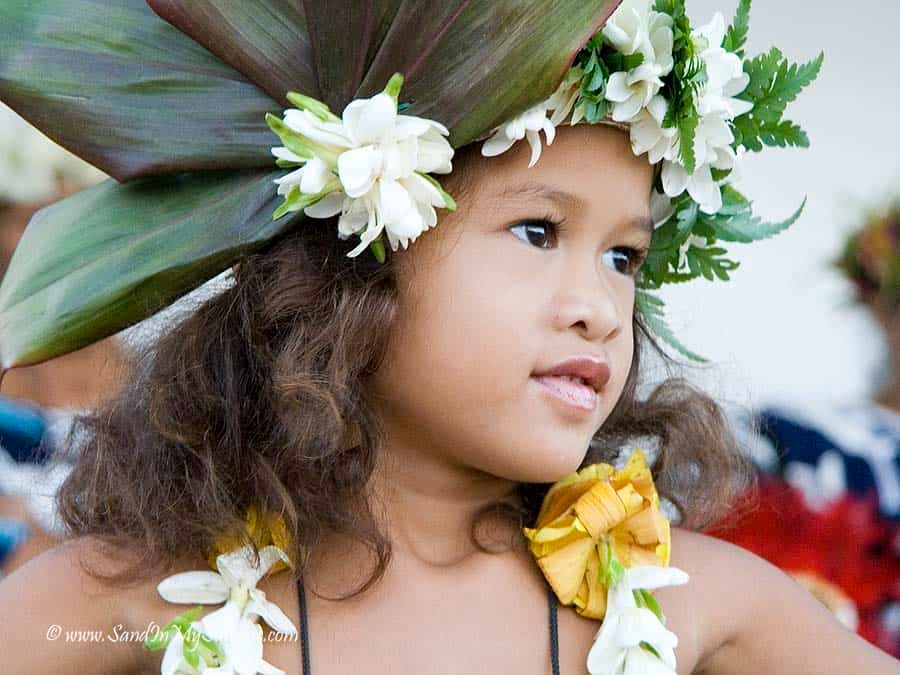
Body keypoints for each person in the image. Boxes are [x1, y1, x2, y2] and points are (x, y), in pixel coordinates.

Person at [0, 0, 896, 673]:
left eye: (625, 256)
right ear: (352, 265)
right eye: (540, 232)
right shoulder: (132, 596)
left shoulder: (693, 602)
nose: (601, 306)